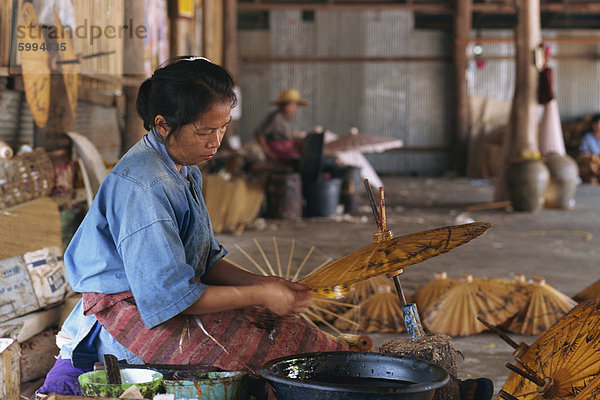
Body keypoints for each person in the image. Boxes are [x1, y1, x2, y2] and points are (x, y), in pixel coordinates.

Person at [37, 57, 342, 396]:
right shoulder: (144, 185)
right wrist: (258, 294)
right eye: (204, 131)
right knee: (271, 361)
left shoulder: (185, 168)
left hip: (164, 301)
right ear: (163, 125)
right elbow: (171, 296)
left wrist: (264, 283)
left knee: (294, 337)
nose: (216, 142)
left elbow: (205, 259)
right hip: (129, 320)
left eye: (222, 128)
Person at [254, 88, 307, 162]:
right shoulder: (276, 117)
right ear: (286, 105)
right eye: (293, 105)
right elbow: (259, 133)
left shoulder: (284, 117)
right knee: (300, 159)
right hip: (278, 148)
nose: (295, 108)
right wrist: (268, 152)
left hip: (285, 147)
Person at [577, 114, 600, 183]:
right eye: (597, 124)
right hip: (592, 162)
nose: (598, 126)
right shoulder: (587, 137)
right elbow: (583, 153)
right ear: (593, 125)